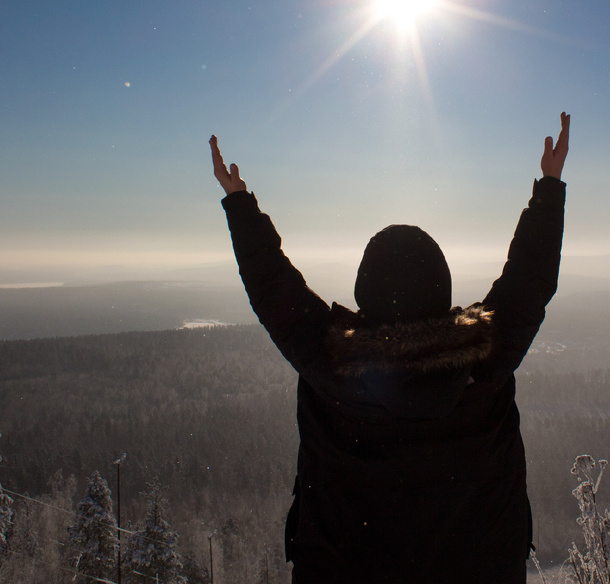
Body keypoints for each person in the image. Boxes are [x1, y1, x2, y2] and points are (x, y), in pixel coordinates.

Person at [209, 112, 569, 584]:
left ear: (365, 290)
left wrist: (239, 203)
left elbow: (272, 286)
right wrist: (549, 186)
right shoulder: (483, 348)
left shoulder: (333, 357)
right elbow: (529, 280)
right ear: (442, 289)